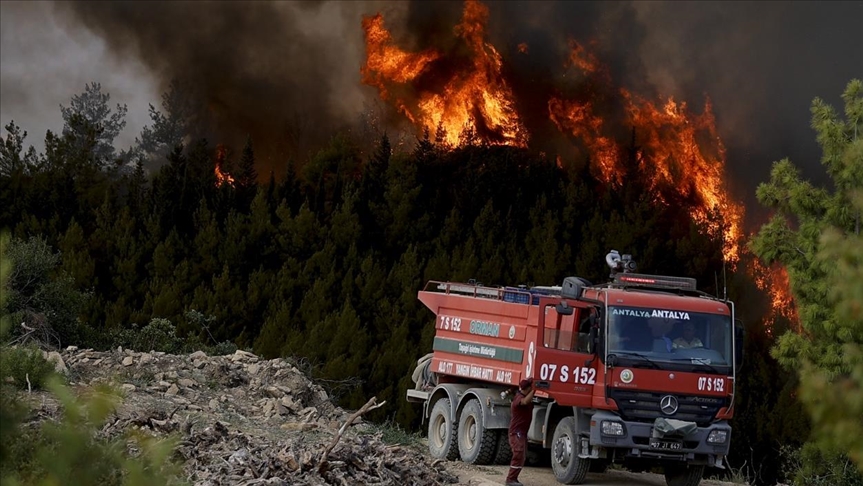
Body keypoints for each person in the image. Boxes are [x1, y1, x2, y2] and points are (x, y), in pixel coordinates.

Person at [506, 378, 535, 486]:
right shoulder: (519, 398)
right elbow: (525, 402)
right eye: (530, 388)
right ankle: (510, 479)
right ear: (527, 389)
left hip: (521, 432)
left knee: (521, 456)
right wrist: (534, 390)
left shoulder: (520, 394)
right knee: (518, 454)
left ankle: (513, 478)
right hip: (516, 433)